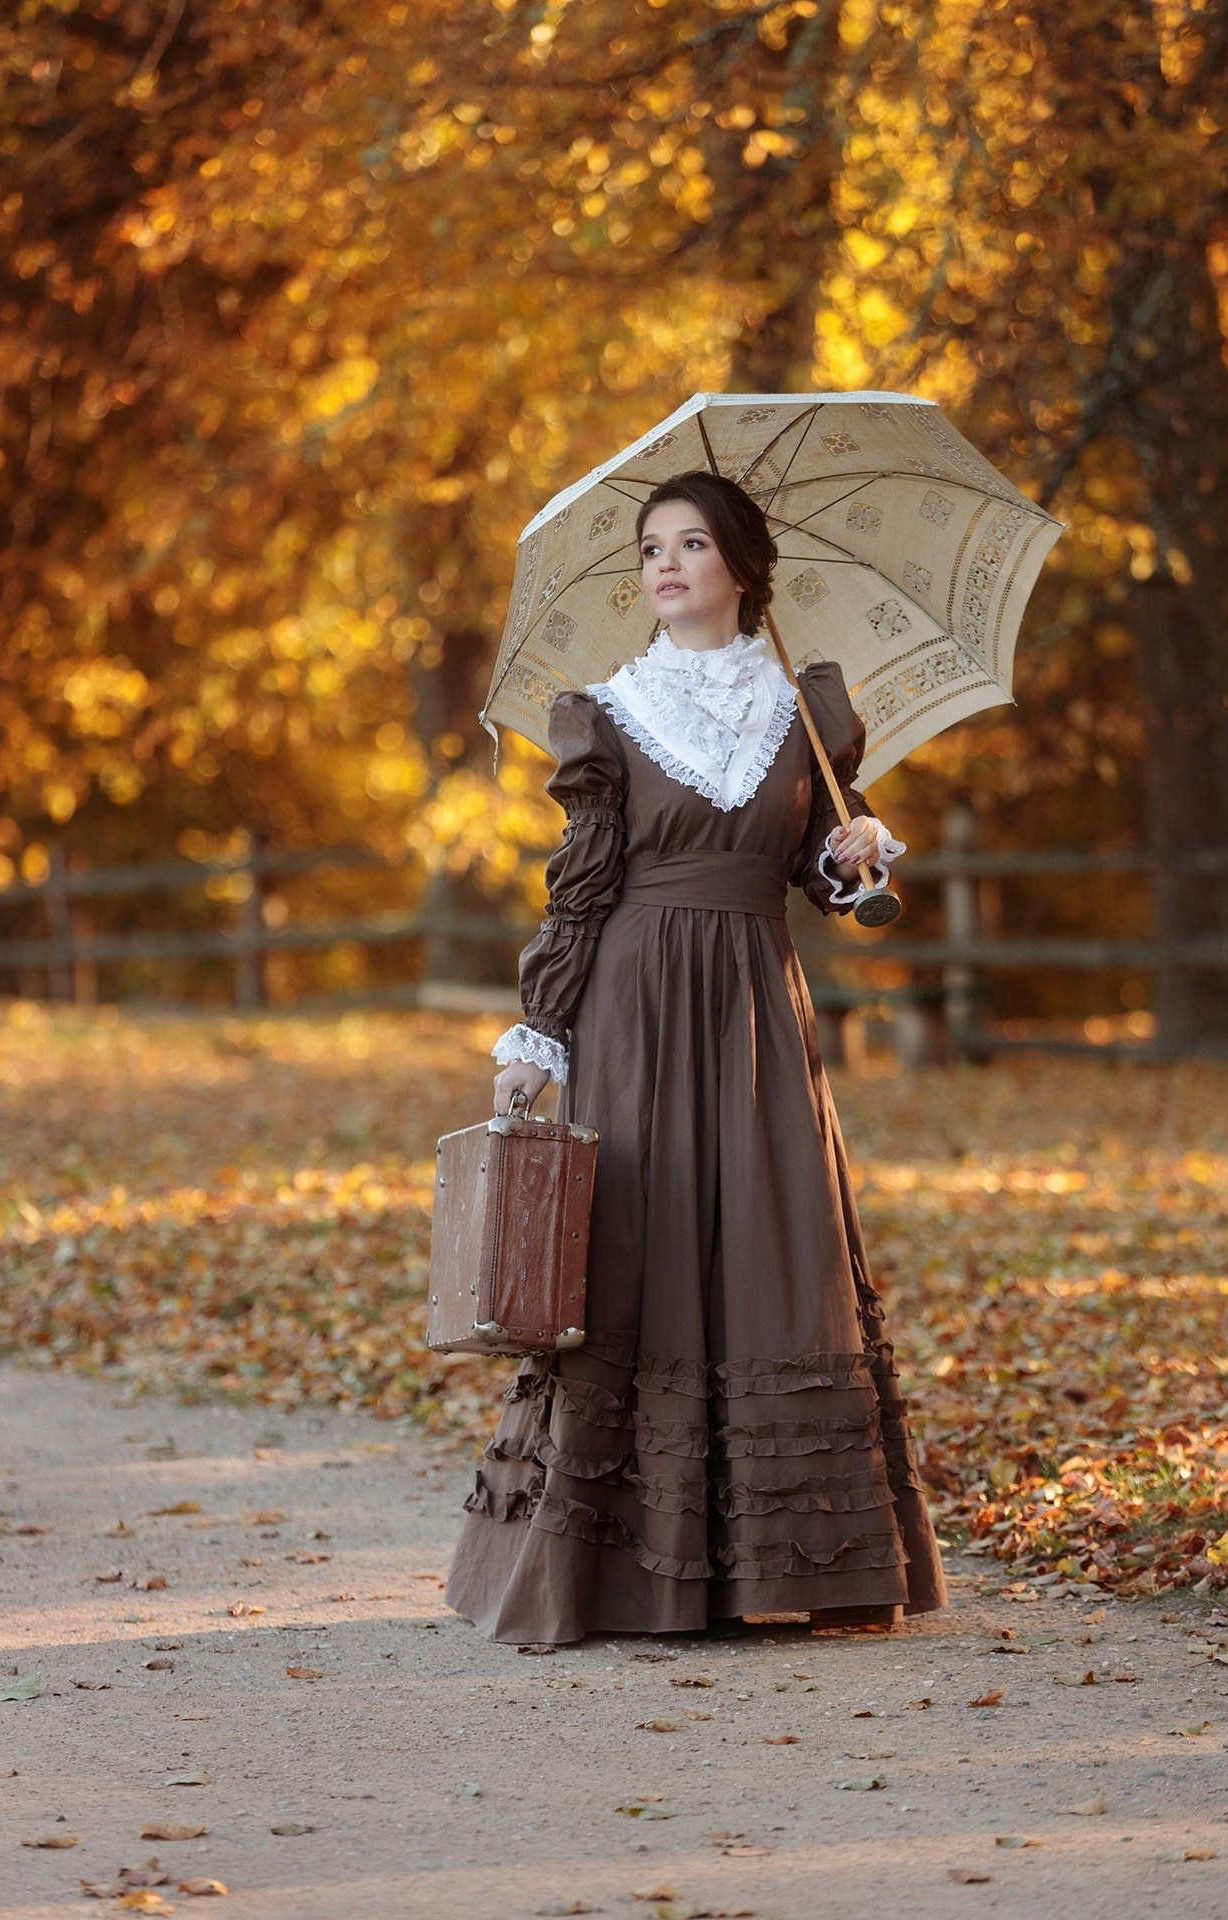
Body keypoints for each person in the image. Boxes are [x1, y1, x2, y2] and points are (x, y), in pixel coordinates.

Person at [445, 471, 948, 1645]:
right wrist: (537, 1035)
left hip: (758, 1012)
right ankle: (619, 1580)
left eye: (690, 544)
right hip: (631, 1003)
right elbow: (577, 895)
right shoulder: (607, 716)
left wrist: (854, 850)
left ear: (740, 567)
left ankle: (782, 1570)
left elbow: (827, 880)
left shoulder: (807, 715)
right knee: (636, 1247)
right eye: (649, 549)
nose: (664, 565)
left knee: (779, 1248)